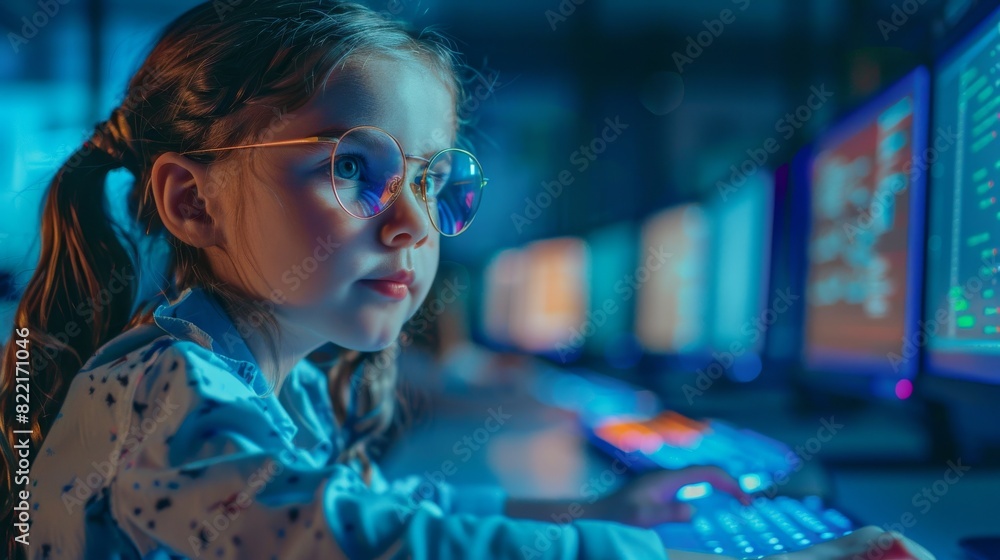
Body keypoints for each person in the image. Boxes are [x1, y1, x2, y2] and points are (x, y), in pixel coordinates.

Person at [0, 1, 937, 559]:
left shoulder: (268, 383)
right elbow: (357, 543)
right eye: (354, 169)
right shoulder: (170, 387)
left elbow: (389, 512)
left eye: (432, 178)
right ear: (192, 204)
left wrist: (588, 510)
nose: (411, 222)